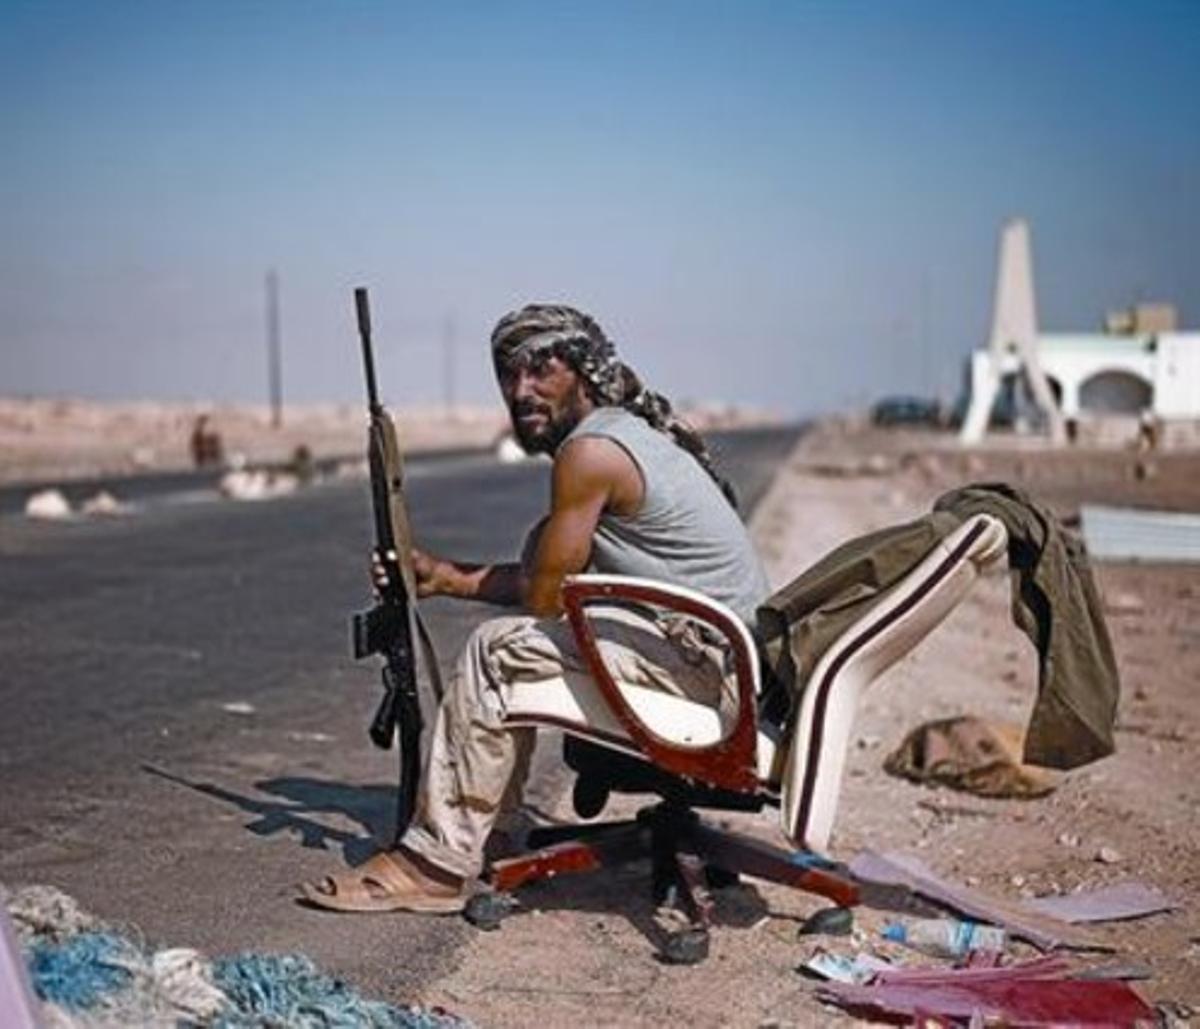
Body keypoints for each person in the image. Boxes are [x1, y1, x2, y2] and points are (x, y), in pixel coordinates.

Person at [303, 303, 769, 913]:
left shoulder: (592, 452)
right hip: (717, 661)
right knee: (520, 642)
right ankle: (497, 827)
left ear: (582, 372)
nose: (521, 390)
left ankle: (436, 864)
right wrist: (446, 577)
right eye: (507, 374)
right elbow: (549, 582)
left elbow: (546, 599)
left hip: (706, 672)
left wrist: (536, 546)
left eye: (540, 370)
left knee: (497, 652)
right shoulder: (624, 437)